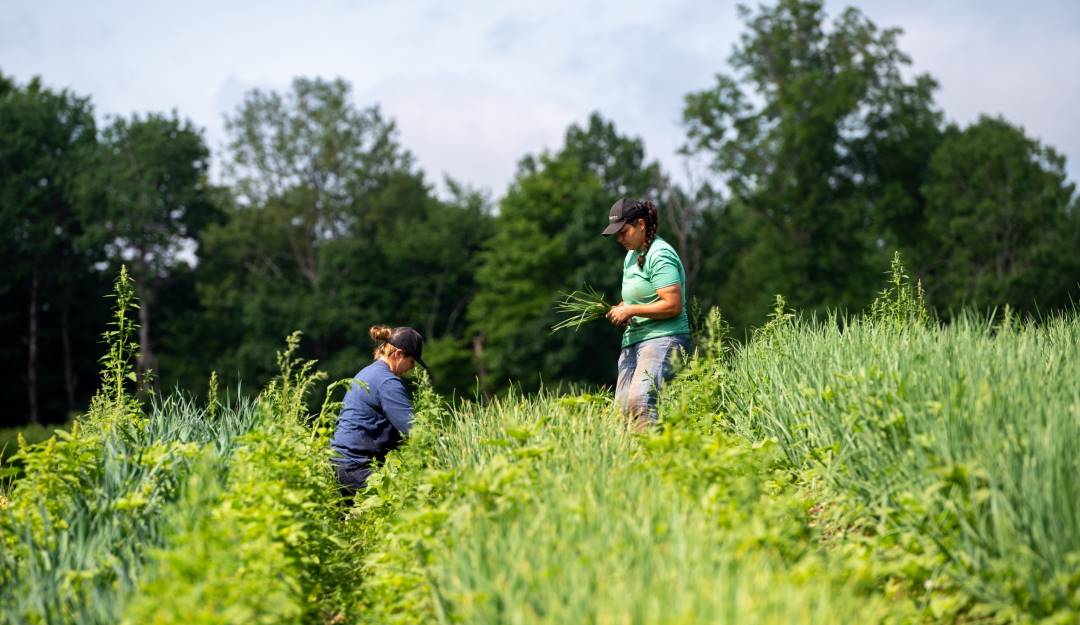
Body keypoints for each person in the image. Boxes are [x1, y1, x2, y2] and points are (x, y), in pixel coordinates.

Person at [601, 198, 691, 428]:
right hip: (633, 340)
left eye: (623, 232)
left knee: (640, 402)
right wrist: (623, 307)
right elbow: (638, 296)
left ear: (641, 224)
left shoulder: (660, 254)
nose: (620, 239)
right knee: (621, 414)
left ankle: (651, 460)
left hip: (663, 338)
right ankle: (628, 461)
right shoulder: (631, 255)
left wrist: (632, 309)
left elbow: (672, 305)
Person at [331, 325, 428, 495]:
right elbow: (415, 430)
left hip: (340, 463)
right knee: (406, 496)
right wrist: (443, 443)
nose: (412, 368)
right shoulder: (387, 382)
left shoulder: (369, 372)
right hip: (356, 468)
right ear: (398, 354)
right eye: (412, 361)